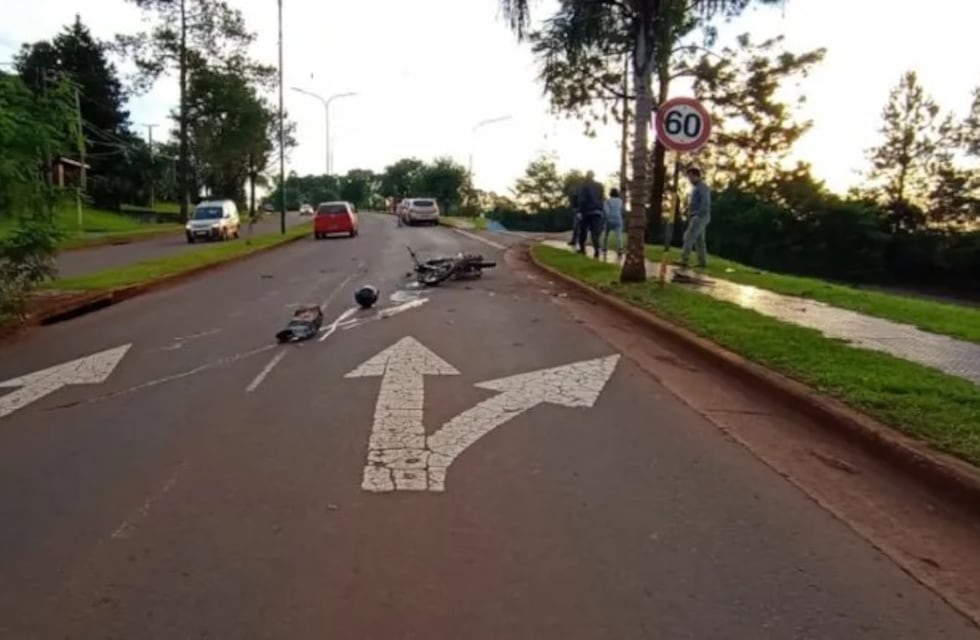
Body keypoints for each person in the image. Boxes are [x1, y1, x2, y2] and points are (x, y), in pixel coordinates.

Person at [680, 167, 712, 269]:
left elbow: (705, 202)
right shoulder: (696, 188)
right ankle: (702, 262)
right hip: (697, 216)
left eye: (690, 177)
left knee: (688, 237)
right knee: (699, 240)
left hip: (699, 217)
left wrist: (698, 215)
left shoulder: (702, 187)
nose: (689, 179)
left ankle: (684, 259)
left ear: (696, 176)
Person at [574, 170, 605, 258]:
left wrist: (579, 211)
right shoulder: (600, 186)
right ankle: (596, 251)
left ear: (587, 176)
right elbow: (602, 198)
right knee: (595, 233)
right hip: (597, 211)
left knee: (583, 231)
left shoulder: (584, 186)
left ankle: (582, 249)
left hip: (586, 211)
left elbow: (582, 200)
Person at [602, 188, 624, 259]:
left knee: (606, 234)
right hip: (618, 219)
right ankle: (620, 248)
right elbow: (621, 209)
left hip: (609, 219)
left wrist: (606, 218)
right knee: (619, 235)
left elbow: (606, 211)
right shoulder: (620, 201)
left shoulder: (607, 201)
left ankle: (604, 248)